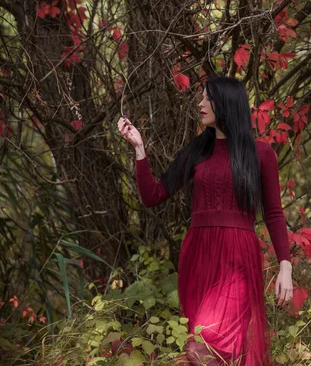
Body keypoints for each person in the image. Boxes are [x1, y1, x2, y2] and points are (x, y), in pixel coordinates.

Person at [117, 76, 293, 365]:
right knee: (198, 344)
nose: (200, 103)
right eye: (200, 97)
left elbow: (274, 213)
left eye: (207, 98)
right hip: (199, 256)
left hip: (238, 257)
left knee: (218, 344)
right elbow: (153, 195)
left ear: (226, 102)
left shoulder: (260, 153)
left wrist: (285, 266)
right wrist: (139, 149)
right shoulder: (196, 151)